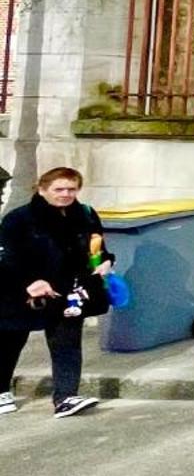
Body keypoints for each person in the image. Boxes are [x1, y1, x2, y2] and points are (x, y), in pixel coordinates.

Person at [0, 166, 114, 418]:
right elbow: (8, 257)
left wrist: (105, 262)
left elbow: (96, 247)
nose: (65, 194)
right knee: (10, 342)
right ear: (42, 190)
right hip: (21, 292)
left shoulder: (85, 214)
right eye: (59, 189)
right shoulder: (18, 218)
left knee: (67, 343)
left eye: (71, 189)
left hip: (67, 291)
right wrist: (29, 282)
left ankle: (65, 397)